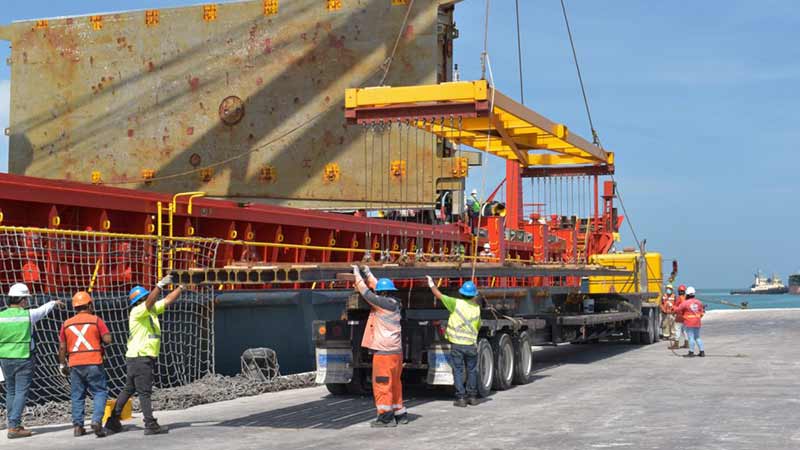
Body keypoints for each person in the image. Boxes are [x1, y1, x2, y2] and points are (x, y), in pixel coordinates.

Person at [104, 274, 185, 435]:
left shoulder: (150, 311)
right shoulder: (138, 311)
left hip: (136, 358)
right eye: (148, 296)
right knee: (144, 392)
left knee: (128, 389)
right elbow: (150, 303)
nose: (151, 298)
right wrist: (160, 285)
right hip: (141, 358)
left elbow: (168, 300)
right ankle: (150, 424)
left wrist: (181, 288)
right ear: (143, 299)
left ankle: (113, 421)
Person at [0, 283, 63, 439]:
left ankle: (13, 423)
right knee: (21, 391)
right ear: (22, 300)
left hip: (5, 358)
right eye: (26, 299)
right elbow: (43, 310)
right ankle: (14, 427)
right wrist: (54, 302)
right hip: (24, 357)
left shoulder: (1, 317)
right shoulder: (28, 315)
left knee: (11, 391)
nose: (27, 302)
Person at [351, 265, 407, 427]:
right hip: (396, 352)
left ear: (382, 293)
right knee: (395, 383)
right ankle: (399, 413)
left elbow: (365, 292)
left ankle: (385, 418)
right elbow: (377, 288)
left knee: (382, 384)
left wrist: (357, 274)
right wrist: (368, 273)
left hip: (384, 353)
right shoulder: (395, 303)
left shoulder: (381, 304)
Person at [58, 291, 112, 438]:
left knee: (77, 395)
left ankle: (78, 426)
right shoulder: (96, 320)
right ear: (89, 305)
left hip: (75, 364)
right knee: (100, 392)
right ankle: (96, 421)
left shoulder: (66, 324)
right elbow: (107, 340)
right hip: (94, 361)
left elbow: (62, 347)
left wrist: (62, 365)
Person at [425, 276, 482, 407]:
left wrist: (431, 283)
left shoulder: (456, 303)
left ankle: (461, 398)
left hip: (457, 344)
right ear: (474, 295)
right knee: (472, 370)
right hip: (471, 345)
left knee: (458, 370)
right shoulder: (477, 308)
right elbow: (478, 326)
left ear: (461, 293)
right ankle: (472, 397)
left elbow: (438, 295)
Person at [672, 286, 705, 357]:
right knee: (697, 337)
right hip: (697, 322)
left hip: (689, 323)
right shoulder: (699, 302)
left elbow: (678, 310)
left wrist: (673, 307)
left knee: (691, 338)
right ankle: (702, 352)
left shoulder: (685, 303)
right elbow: (702, 312)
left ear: (687, 294)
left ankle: (691, 352)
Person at [671, 284, 689, 349]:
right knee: (685, 331)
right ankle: (687, 344)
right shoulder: (687, 298)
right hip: (686, 317)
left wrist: (673, 312)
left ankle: (676, 344)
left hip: (679, 316)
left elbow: (676, 307)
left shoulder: (679, 298)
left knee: (677, 330)